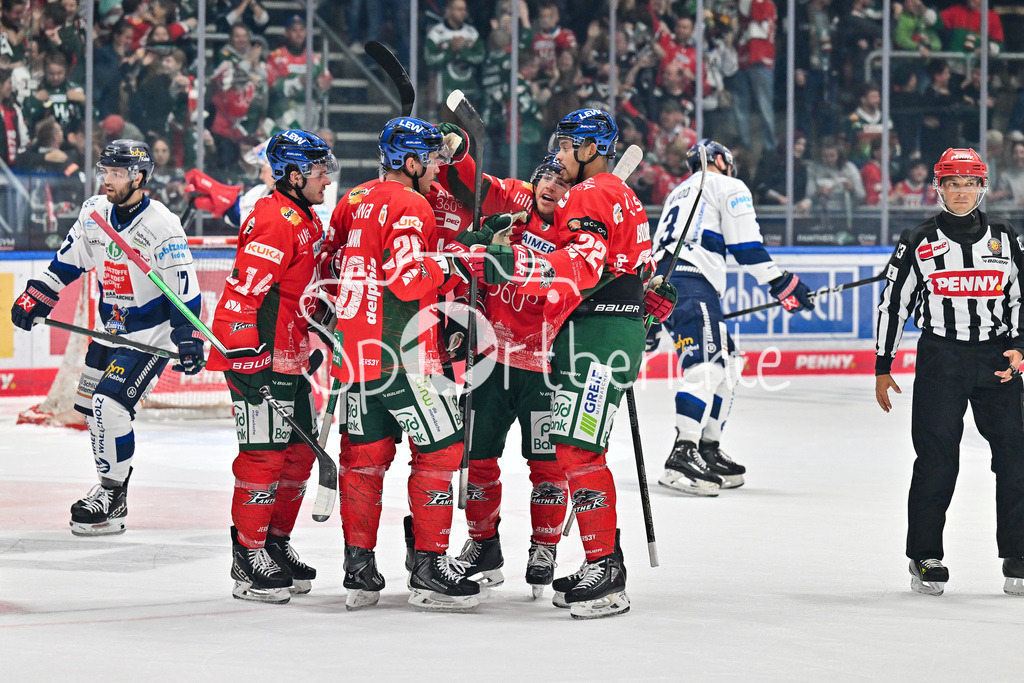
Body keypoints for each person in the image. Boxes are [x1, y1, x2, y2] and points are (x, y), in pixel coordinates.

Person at [481, 109, 671, 619]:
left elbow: (582, 266)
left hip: (597, 336)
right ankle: (604, 557)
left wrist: (514, 266)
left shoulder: (591, 194)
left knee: (579, 452)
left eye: (567, 147)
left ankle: (605, 571)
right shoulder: (620, 196)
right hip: (604, 332)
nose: (560, 156)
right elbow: (639, 268)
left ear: (590, 149)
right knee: (576, 450)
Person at [323, 116, 480, 612]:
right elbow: (409, 278)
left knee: (363, 462)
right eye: (431, 158)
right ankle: (430, 567)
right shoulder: (412, 205)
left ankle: (359, 568)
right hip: (406, 358)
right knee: (442, 450)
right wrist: (455, 263)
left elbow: (331, 263)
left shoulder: (352, 199)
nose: (438, 167)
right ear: (409, 162)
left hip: (355, 359)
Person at [9, 139, 204, 536]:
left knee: (110, 406)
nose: (108, 180)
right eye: (106, 172)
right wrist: (36, 296)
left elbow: (185, 292)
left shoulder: (162, 225)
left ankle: (112, 495)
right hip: (109, 332)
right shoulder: (94, 213)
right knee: (94, 414)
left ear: (139, 177)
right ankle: (109, 488)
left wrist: (188, 337)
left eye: (116, 173)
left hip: (150, 337)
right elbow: (67, 260)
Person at [875, 147, 1024, 596]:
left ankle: (1017, 554)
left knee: (1017, 458)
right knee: (938, 459)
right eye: (952, 184)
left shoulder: (1006, 237)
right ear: (937, 187)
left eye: (969, 184)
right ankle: (925, 555)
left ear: (983, 187)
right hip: (942, 358)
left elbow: (1021, 297)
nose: (960, 193)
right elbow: (892, 305)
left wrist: (1019, 346)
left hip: (998, 360)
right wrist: (884, 365)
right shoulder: (917, 240)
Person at [205, 129, 337, 605]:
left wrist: (324, 322)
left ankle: (275, 545)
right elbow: (243, 294)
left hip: (290, 358)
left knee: (299, 456)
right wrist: (246, 360)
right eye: (319, 170)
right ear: (295, 175)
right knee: (262, 457)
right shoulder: (276, 218)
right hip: (260, 360)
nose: (327, 178)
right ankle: (248, 554)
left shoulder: (303, 217)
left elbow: (300, 290)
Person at [442, 150, 574, 597]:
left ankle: (545, 548)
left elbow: (613, 275)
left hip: (545, 368)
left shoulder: (579, 231)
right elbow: (477, 190)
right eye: (546, 179)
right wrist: (458, 152)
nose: (552, 188)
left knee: (548, 464)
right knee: (477, 460)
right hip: (489, 363)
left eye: (562, 182)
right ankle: (483, 546)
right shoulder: (511, 214)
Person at [650, 138, 814, 497]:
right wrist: (784, 283)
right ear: (721, 161)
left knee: (728, 361)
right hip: (692, 283)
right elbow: (746, 247)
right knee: (706, 367)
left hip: (669, 283)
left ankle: (707, 446)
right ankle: (683, 452)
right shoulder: (727, 185)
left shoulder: (677, 192)